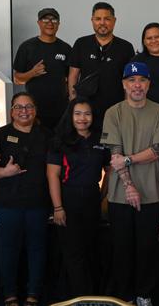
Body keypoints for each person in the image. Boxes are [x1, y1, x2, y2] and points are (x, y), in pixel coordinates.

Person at [101, 62, 159, 306]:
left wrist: (129, 159)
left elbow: (157, 150)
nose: (137, 85)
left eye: (142, 80)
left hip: (151, 193)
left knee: (147, 248)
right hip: (119, 195)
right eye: (132, 81)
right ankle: (123, 297)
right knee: (121, 248)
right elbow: (114, 153)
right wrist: (129, 186)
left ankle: (144, 294)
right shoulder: (113, 113)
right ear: (124, 84)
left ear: (149, 84)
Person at [0, 92, 51, 306]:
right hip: (7, 204)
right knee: (8, 249)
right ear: (11, 111)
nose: (24, 111)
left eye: (28, 107)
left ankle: (33, 295)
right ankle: (9, 295)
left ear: (35, 110)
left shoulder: (48, 135)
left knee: (37, 249)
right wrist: (5, 173)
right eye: (19, 107)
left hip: (38, 204)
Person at [47, 97, 111, 298]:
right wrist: (58, 208)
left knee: (91, 250)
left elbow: (109, 170)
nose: (82, 118)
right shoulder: (60, 140)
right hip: (68, 199)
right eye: (78, 113)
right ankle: (79, 298)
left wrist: (102, 196)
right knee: (73, 253)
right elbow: (53, 175)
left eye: (87, 113)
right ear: (70, 116)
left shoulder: (102, 139)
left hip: (92, 199)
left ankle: (92, 296)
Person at [68, 2, 135, 132]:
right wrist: (73, 102)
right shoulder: (81, 43)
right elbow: (73, 75)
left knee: (112, 147)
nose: (102, 23)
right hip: (85, 111)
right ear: (92, 20)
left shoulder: (125, 47)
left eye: (107, 19)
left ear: (114, 21)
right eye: (98, 19)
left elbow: (129, 80)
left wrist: (127, 108)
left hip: (115, 109)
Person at [13, 8, 72, 130]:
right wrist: (32, 73)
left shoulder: (66, 48)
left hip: (60, 110)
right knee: (36, 145)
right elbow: (17, 78)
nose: (50, 23)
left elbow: (71, 78)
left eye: (54, 19)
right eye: (45, 19)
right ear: (39, 23)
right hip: (33, 110)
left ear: (58, 24)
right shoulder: (27, 47)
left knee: (58, 145)